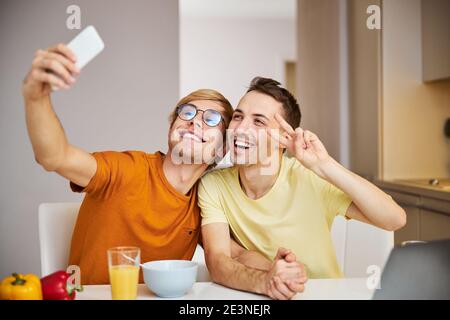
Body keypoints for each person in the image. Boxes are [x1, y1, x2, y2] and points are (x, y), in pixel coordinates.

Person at [22, 43, 242, 284]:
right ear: (172, 127)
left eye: (211, 119)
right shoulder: (126, 169)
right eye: (187, 112)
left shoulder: (203, 202)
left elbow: (236, 255)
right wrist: (36, 96)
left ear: (221, 150)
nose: (195, 122)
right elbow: (54, 156)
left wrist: (277, 271)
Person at [199, 77, 407, 300]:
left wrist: (323, 164)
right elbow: (218, 261)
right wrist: (266, 278)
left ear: (284, 138)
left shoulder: (310, 178)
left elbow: (395, 219)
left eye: (258, 122)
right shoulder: (214, 185)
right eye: (238, 117)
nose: (240, 129)